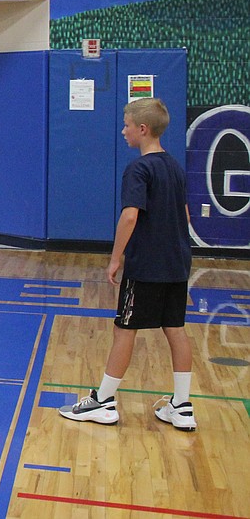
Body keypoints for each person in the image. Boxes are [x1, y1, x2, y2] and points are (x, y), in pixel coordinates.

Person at [59, 97, 195, 430]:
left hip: (146, 265)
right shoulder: (175, 166)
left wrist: (115, 257)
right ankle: (182, 405)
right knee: (175, 329)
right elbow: (186, 215)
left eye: (127, 125)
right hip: (178, 262)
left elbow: (130, 216)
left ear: (142, 129)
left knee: (125, 327)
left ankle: (103, 401)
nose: (123, 131)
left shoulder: (139, 169)